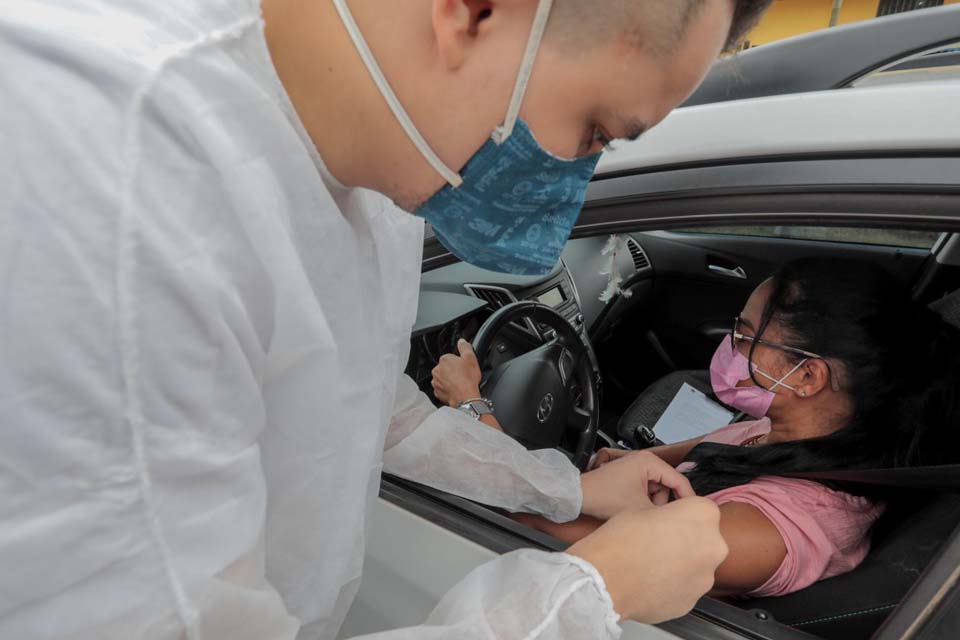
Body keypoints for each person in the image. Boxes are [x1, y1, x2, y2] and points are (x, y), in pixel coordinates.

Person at [0, 1, 774, 638]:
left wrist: (567, 492)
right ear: (474, 12)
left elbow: (367, 403)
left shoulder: (387, 159)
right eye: (596, 129)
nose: (573, 184)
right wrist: (588, 596)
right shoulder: (108, 172)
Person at [435, 258, 960, 598]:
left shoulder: (761, 536)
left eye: (747, 335)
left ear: (808, 375)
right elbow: (709, 448)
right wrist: (632, 464)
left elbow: (536, 522)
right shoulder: (797, 430)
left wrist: (472, 407)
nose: (733, 344)